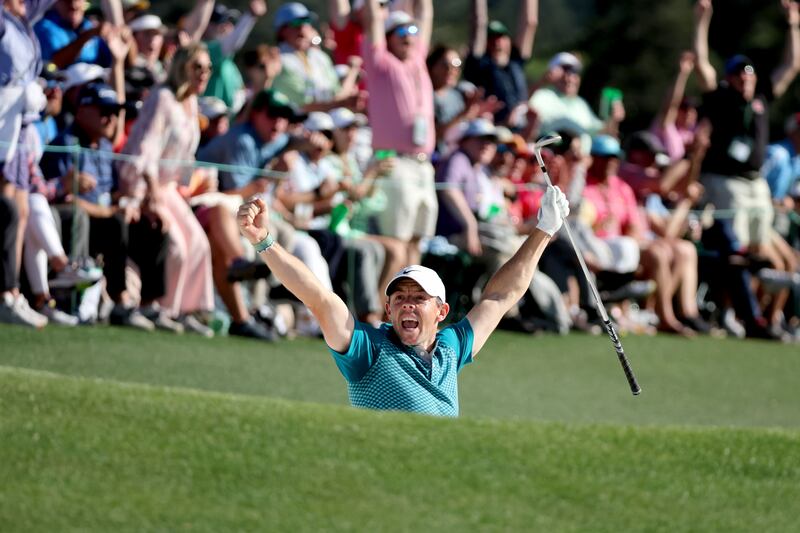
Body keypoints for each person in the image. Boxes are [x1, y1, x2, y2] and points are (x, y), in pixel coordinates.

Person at [236, 183, 569, 416]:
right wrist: (264, 241)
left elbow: (499, 296)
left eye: (419, 298)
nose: (407, 303)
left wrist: (544, 229)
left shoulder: (451, 347)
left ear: (441, 311)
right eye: (400, 297)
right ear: (388, 308)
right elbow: (319, 298)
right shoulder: (367, 348)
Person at [119, 42, 216, 336]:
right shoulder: (162, 97)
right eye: (196, 67)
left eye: (207, 68)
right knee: (175, 245)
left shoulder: (190, 102)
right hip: (143, 184)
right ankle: (159, 307)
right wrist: (148, 193)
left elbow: (185, 154)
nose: (203, 74)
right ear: (181, 67)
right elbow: (144, 148)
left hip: (169, 186)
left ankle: (186, 309)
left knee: (198, 243)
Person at [692, 0, 800, 254]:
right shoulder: (720, 98)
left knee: (759, 249)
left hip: (755, 182)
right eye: (738, 73)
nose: (744, 77)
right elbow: (701, 63)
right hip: (725, 181)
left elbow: (791, 66)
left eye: (748, 72)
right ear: (729, 78)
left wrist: (793, 24)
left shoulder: (761, 98)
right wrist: (701, 20)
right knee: (735, 247)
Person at [362, 0, 436, 267]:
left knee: (417, 240)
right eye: (402, 33)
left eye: (412, 32)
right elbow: (371, 20)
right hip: (395, 162)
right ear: (388, 37)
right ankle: (388, 306)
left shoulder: (418, 60)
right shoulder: (380, 63)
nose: (410, 38)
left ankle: (412, 299)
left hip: (423, 165)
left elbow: (425, 13)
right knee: (398, 240)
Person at [463, 0, 537, 127]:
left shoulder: (516, 63)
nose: (496, 42)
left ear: (509, 41)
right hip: (491, 133)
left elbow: (530, 23)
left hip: (520, 133)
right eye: (491, 38)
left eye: (501, 37)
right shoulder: (479, 66)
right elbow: (479, 22)